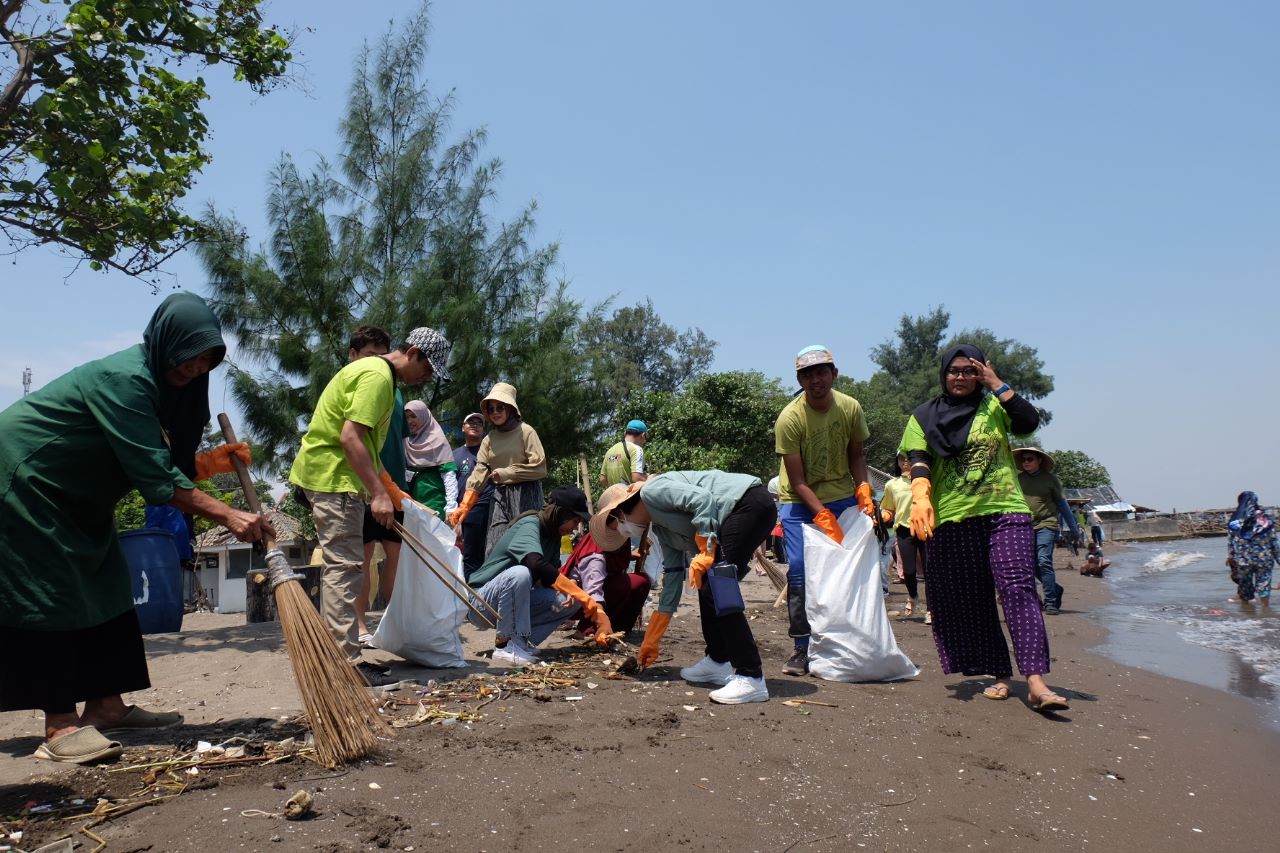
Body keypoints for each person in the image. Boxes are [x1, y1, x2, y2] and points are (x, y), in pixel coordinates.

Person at [0, 293, 274, 764]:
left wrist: (208, 463)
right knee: (52, 594)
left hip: (77, 495)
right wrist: (230, 515)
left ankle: (106, 707)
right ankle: (61, 724)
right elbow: (155, 480)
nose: (194, 367)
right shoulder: (125, 380)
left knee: (107, 585)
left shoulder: (172, 390)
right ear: (165, 342)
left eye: (207, 358)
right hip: (24, 482)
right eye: (188, 355)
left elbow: (161, 460)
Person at [899, 343, 1069, 712]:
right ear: (943, 374)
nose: (960, 377)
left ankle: (1037, 681)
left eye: (968, 370)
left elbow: (1028, 422)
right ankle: (999, 673)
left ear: (979, 374)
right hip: (954, 517)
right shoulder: (923, 416)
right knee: (973, 599)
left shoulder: (994, 405)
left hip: (1004, 510)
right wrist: (920, 492)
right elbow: (918, 458)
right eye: (954, 371)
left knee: (1018, 589)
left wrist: (997, 383)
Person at [289, 326, 452, 687]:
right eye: (428, 368)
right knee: (345, 568)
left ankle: (347, 658)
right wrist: (378, 494)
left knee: (348, 567)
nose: (427, 378)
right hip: (333, 478)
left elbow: (371, 451)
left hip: (340, 478)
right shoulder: (377, 377)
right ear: (412, 353)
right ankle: (344, 665)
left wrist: (391, 493)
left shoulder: (381, 378)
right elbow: (349, 438)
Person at [594, 470, 776, 705]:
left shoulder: (652, 491)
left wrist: (705, 544)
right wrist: (653, 637)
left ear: (619, 513)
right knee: (706, 583)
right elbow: (673, 575)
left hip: (748, 504)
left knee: (717, 584)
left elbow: (703, 500)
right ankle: (717, 661)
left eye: (618, 527)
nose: (623, 532)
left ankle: (751, 676)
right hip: (739, 513)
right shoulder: (660, 527)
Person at [774, 345, 875, 676]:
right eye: (807, 374)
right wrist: (821, 516)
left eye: (821, 372)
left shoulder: (850, 408)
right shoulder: (790, 418)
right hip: (798, 501)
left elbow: (856, 454)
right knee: (802, 571)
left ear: (834, 374)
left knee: (847, 571)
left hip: (842, 496)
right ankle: (801, 648)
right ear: (800, 380)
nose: (815, 379)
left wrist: (863, 489)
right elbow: (798, 480)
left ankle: (846, 641)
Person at [466, 486, 611, 664]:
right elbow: (534, 561)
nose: (574, 528)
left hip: (510, 606)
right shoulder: (529, 524)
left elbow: (550, 577)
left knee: (570, 599)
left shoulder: (554, 536)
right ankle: (505, 646)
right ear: (560, 514)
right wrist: (579, 592)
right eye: (574, 521)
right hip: (481, 603)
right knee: (520, 573)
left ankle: (520, 642)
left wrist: (575, 592)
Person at [344, 326, 409, 649]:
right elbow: (352, 438)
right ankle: (359, 624)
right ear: (352, 356)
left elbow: (399, 442)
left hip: (392, 483)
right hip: (362, 484)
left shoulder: (395, 389)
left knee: (396, 553)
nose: (377, 362)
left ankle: (391, 622)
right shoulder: (357, 383)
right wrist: (376, 487)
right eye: (370, 356)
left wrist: (396, 489)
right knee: (363, 555)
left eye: (381, 356)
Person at [449, 383, 546, 557]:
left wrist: (508, 472)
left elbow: (540, 468)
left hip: (526, 495)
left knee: (526, 549)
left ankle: (532, 583)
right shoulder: (490, 439)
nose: (495, 412)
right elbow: (480, 471)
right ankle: (495, 584)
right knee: (495, 548)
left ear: (510, 408)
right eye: (491, 408)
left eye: (500, 407)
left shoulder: (526, 432)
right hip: (500, 496)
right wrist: (464, 506)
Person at [1013, 447, 1082, 615]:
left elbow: (1063, 505)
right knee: (1030, 565)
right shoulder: (1017, 480)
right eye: (1023, 460)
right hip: (1025, 526)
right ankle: (1055, 589)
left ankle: (1050, 602)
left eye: (1030, 459)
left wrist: (1074, 530)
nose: (1026, 462)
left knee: (1044, 561)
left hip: (1047, 524)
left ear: (1039, 461)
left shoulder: (1051, 480)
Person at [561, 527, 653, 637]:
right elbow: (594, 592)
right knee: (621, 584)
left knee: (641, 580)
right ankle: (591, 628)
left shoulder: (610, 543)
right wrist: (602, 621)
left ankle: (618, 628)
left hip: (593, 594)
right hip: (575, 602)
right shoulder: (595, 556)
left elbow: (609, 561)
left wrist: (628, 556)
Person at [881, 452, 929, 622]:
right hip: (903, 530)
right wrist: (880, 518)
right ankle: (913, 595)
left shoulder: (926, 481)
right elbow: (888, 509)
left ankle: (931, 610)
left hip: (926, 528)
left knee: (930, 569)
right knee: (908, 572)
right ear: (898, 462)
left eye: (909, 457)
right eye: (902, 458)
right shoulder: (892, 485)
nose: (906, 461)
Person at [452, 411, 493, 579]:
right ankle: (470, 596)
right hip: (462, 514)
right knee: (466, 557)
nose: (475, 425)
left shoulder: (490, 453)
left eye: (479, 423)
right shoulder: (454, 455)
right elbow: (451, 488)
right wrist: (456, 519)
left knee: (484, 556)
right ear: (463, 428)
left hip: (486, 511)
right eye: (470, 422)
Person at [403, 400, 457, 516]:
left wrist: (451, 507)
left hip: (434, 504)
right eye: (406, 417)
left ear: (423, 417)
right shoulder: (405, 440)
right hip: (411, 503)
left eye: (413, 416)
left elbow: (449, 476)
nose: (410, 421)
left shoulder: (437, 440)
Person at [1226, 491, 1278, 608]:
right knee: (1264, 585)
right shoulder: (1267, 521)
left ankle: (1248, 614)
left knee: (1245, 587)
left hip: (1244, 561)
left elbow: (1231, 543)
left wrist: (1231, 557)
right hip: (1264, 559)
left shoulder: (1235, 521)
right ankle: (1265, 610)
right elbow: (1274, 543)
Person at [599, 419, 649, 487]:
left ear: (625, 433)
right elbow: (636, 477)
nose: (644, 441)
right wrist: (651, 480)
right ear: (643, 435)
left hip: (614, 495)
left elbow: (603, 479)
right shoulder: (636, 449)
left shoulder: (610, 451)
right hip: (629, 495)